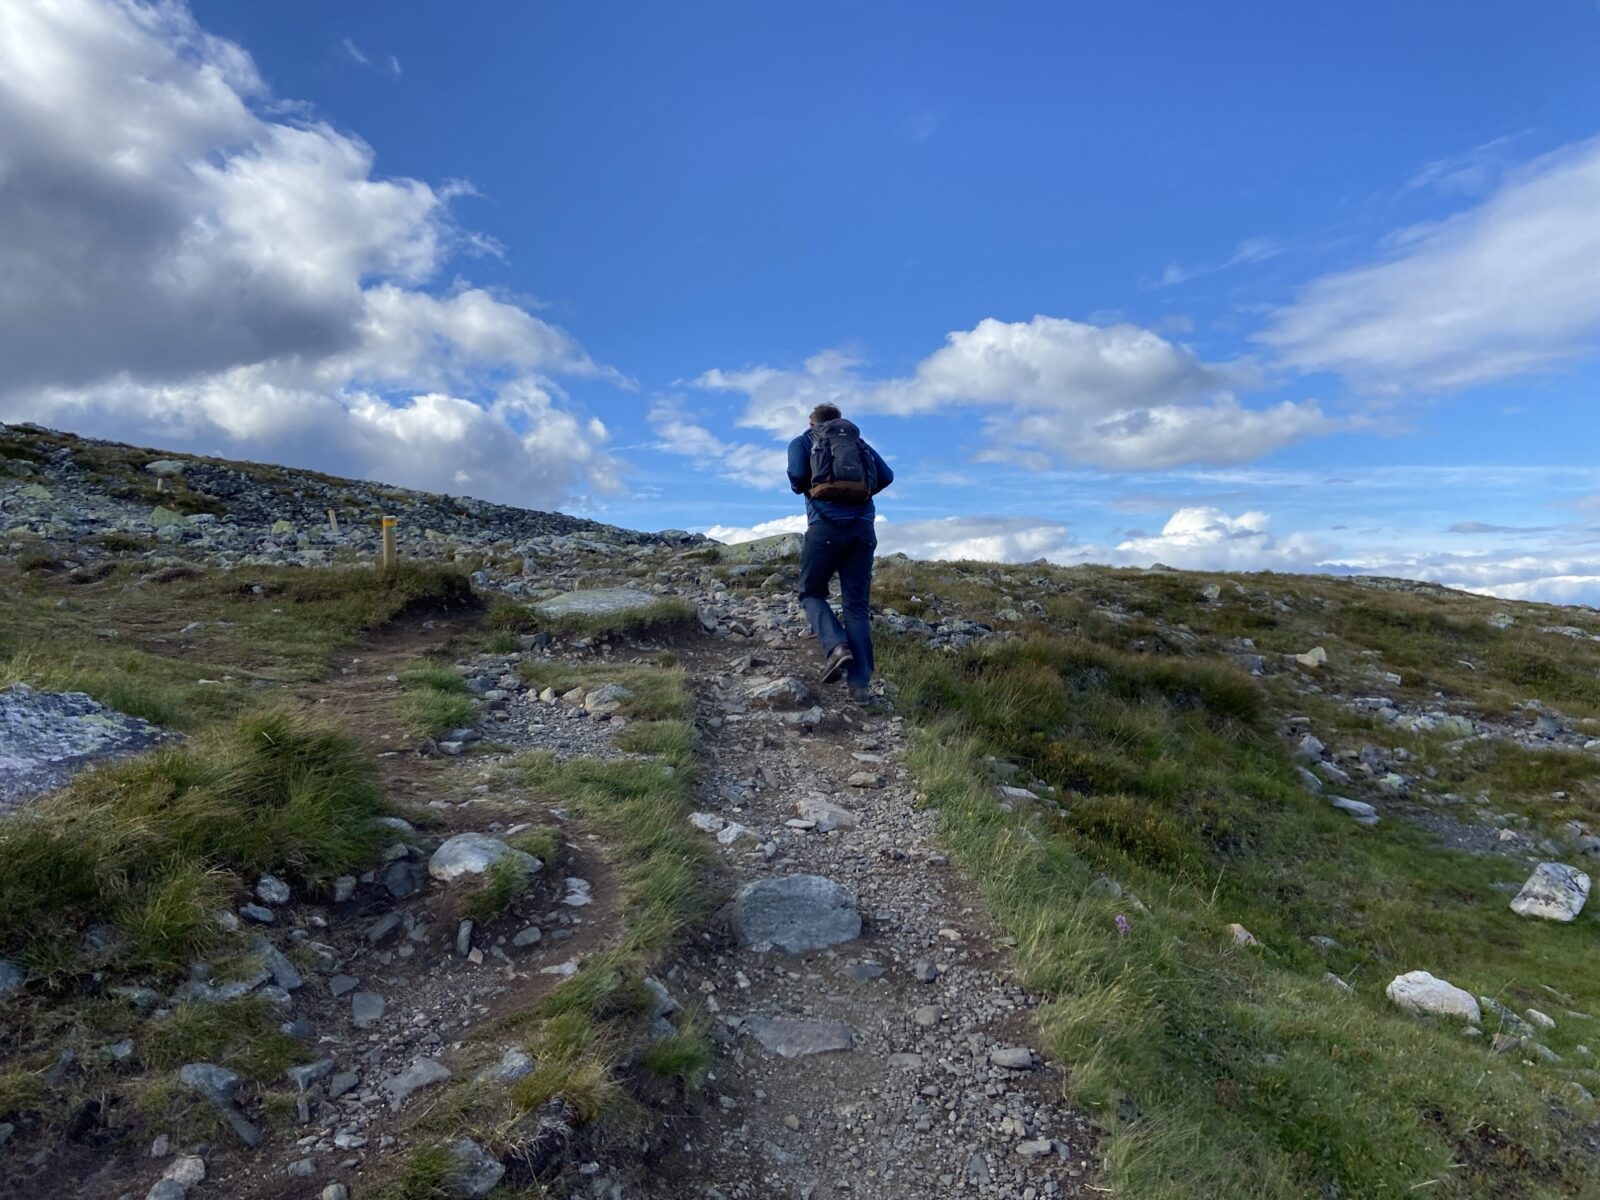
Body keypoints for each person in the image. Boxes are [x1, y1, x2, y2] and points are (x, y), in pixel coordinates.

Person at [786, 403, 894, 703]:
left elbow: (796, 477)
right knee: (856, 607)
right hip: (863, 531)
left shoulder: (803, 442)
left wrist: (815, 487)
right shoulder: (860, 445)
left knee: (810, 592)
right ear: (839, 421)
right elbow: (887, 475)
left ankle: (836, 647)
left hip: (825, 529)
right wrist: (860, 491)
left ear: (812, 422)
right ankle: (860, 688)